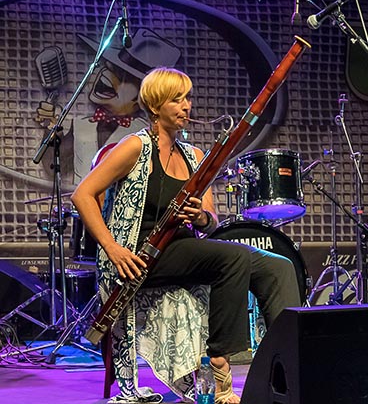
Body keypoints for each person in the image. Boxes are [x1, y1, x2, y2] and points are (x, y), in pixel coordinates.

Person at [72, 67, 301, 403]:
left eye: (187, 98)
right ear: (155, 106)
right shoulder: (134, 147)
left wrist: (201, 216)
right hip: (138, 257)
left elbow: (211, 222)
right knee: (234, 256)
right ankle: (220, 362)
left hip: (180, 250)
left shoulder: (194, 157)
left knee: (278, 266)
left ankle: (289, 368)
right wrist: (112, 248)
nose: (186, 106)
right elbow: (82, 194)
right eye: (176, 99)